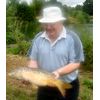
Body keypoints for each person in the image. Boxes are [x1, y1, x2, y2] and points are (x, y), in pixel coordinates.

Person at [27, 6, 84, 100]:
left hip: (67, 85)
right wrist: (32, 74)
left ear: (61, 22)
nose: (48, 27)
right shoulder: (38, 38)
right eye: (45, 24)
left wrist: (58, 72)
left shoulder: (73, 38)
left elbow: (76, 63)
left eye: (52, 23)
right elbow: (33, 60)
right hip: (44, 84)